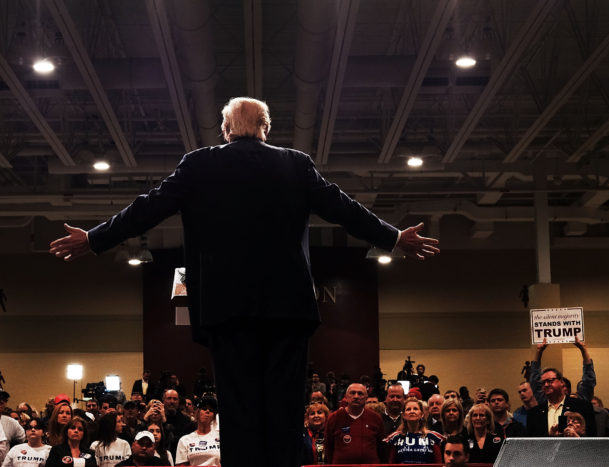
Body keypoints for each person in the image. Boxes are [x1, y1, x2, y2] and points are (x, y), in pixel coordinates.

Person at [49, 96, 440, 467]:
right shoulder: (295, 164)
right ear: (265, 128)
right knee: (285, 413)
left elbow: (146, 209)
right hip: (288, 310)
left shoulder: (197, 165)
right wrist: (394, 237)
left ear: (225, 129)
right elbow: (345, 210)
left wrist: (94, 239)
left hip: (226, 311)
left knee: (238, 413)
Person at [526, 368, 596, 437]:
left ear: (562, 382)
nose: (546, 385)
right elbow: (530, 442)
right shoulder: (534, 413)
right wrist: (550, 436)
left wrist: (576, 437)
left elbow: (592, 437)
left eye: (550, 381)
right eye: (543, 383)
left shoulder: (582, 406)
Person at [325, 383, 384, 464]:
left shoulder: (376, 418)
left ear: (366, 398)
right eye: (352, 393)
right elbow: (328, 447)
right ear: (346, 396)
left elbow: (382, 448)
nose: (356, 396)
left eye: (360, 393)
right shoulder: (334, 418)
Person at [384, 397, 444, 464]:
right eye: (408, 409)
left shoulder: (433, 437)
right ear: (403, 415)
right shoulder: (395, 438)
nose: (412, 411)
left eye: (415, 409)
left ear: (421, 414)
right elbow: (390, 463)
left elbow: (438, 463)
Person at [174, 398, 220, 466]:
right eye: (204, 408)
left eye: (211, 410)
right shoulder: (185, 440)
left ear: (213, 417)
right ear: (197, 413)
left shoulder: (219, 437)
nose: (207, 411)